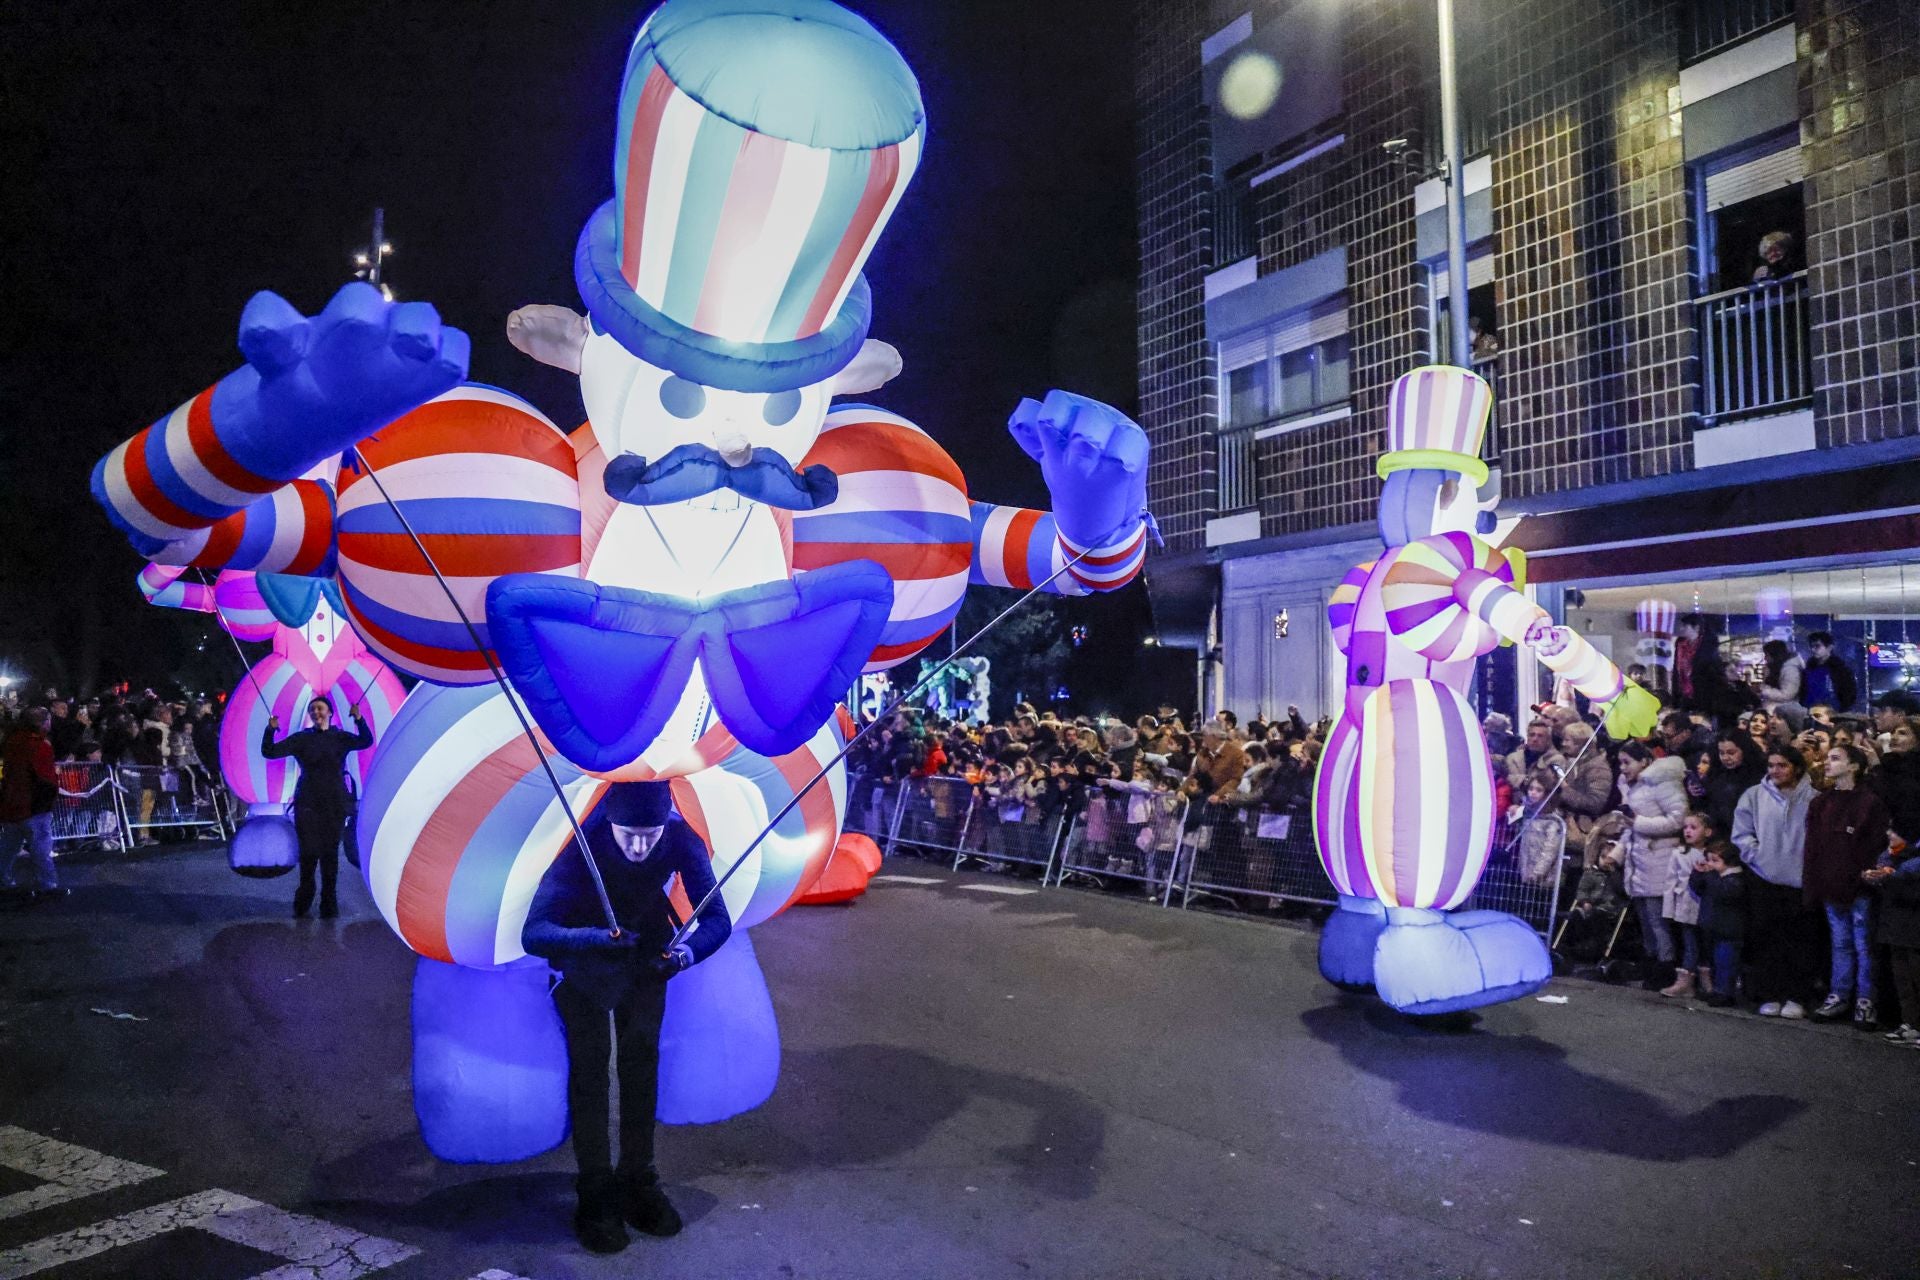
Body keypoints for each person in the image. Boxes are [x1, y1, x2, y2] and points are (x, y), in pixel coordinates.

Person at [521, 781, 732, 1253]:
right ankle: (595, 1189)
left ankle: (639, 1178)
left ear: (666, 824)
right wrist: (594, 939)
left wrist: (683, 957)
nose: (639, 847)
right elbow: (534, 933)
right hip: (585, 966)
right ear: (609, 822)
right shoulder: (581, 841)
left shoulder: (681, 838)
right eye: (627, 836)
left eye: (650, 836)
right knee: (590, 1071)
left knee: (641, 1067)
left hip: (646, 960)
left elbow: (718, 919)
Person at [261, 698, 374, 918]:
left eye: (320, 708)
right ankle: (304, 899)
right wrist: (270, 729)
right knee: (309, 853)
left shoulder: (340, 737)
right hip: (308, 802)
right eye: (312, 709)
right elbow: (270, 752)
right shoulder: (302, 738)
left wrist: (359, 718)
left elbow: (366, 741)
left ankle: (329, 902)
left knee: (330, 853)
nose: (316, 712)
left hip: (334, 802)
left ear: (330, 713)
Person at [1803, 743, 1889, 1026]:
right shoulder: (1821, 803)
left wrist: (1864, 873)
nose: (1828, 763)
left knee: (1862, 945)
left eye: (1836, 758)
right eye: (1827, 758)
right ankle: (1839, 995)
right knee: (1841, 943)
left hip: (1859, 885)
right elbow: (1813, 847)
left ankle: (1865, 1000)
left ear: (1854, 766)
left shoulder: (1869, 802)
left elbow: (1873, 844)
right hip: (1831, 884)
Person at [1732, 746, 1817, 1017]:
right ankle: (1769, 994)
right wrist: (1758, 855)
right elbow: (1742, 833)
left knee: (1799, 941)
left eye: (1782, 765)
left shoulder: (1814, 799)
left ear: (1797, 768)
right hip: (1764, 878)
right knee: (1766, 938)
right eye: (1771, 765)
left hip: (1800, 880)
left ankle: (1796, 996)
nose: (1775, 771)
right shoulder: (1754, 796)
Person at [1616, 741, 1688, 991]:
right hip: (1641, 861)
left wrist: (1639, 822)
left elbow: (1678, 819)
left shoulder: (1662, 783)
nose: (1623, 768)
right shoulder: (1630, 787)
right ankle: (1653, 965)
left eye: (1627, 762)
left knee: (1658, 921)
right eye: (1620, 763)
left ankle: (1665, 967)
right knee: (1646, 921)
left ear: (1644, 762)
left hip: (1660, 859)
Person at [0, 708, 64, 901]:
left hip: (11, 802)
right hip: (33, 805)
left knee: (8, 847)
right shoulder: (40, 745)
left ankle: (2, 879)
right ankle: (48, 884)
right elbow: (44, 778)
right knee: (41, 847)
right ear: (42, 722)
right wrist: (49, 799)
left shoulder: (11, 741)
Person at [1863, 836, 1920, 1044]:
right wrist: (1882, 869)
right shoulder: (1905, 832)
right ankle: (1910, 1024)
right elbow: (1888, 853)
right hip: (1897, 910)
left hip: (1914, 910)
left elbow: (1910, 865)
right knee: (1902, 974)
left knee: (1916, 971)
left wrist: (1894, 871)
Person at [1661, 812, 1715, 998]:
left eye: (1693, 827)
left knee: (1706, 943)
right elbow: (1670, 881)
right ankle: (1685, 982)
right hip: (1685, 904)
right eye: (1685, 827)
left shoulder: (1712, 854)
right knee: (1690, 943)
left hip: (1706, 905)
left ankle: (1705, 981)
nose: (1688, 831)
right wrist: (1668, 910)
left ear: (1707, 832)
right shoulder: (1678, 853)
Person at [1689, 841, 1749, 1009]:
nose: (1710, 864)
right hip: (1713, 928)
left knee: (1726, 964)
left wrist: (1708, 876)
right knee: (1716, 962)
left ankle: (1724, 992)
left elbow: (1724, 893)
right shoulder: (1715, 879)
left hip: (1728, 932)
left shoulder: (1734, 880)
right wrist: (1697, 873)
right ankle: (1716, 990)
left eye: (1715, 861)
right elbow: (1698, 888)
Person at [1696, 733, 1765, 838]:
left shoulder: (1759, 778)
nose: (1725, 758)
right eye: (1721, 753)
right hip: (1720, 836)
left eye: (1731, 753)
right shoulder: (1716, 775)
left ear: (1744, 750)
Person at [1758, 639, 1808, 732]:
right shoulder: (1775, 668)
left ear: (1774, 655)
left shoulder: (1790, 669)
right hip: (1774, 710)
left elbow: (1788, 694)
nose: (1765, 659)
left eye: (1767, 655)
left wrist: (1765, 691)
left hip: (1783, 714)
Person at [1504, 718, 1566, 792]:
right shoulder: (1512, 758)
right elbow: (1508, 779)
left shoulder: (1557, 759)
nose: (1535, 739)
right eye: (1532, 735)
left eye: (1540, 736)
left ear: (1548, 740)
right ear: (1527, 736)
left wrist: (1521, 780)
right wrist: (1530, 779)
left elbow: (1549, 783)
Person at [1801, 632, 1856, 713]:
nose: (1813, 650)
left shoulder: (1840, 670)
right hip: (1810, 711)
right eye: (1811, 646)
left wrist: (1842, 710)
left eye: (1817, 646)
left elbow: (1849, 692)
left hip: (1833, 713)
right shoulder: (1808, 669)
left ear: (1829, 647)